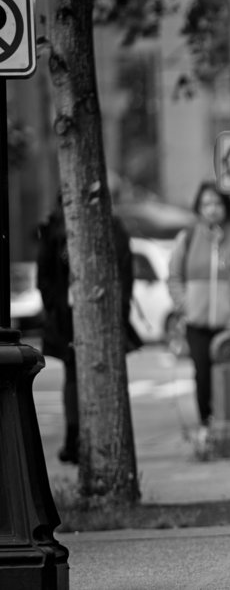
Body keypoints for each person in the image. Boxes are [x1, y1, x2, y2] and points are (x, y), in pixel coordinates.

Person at [36, 194, 140, 464]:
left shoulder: (113, 229)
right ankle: (75, 439)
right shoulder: (56, 230)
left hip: (107, 311)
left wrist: (120, 307)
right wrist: (58, 306)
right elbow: (45, 276)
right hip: (68, 315)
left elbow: (125, 272)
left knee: (106, 372)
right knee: (73, 375)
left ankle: (105, 441)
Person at [167, 181, 230, 445]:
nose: (212, 210)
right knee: (202, 374)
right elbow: (174, 276)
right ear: (199, 208)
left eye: (217, 204)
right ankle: (206, 426)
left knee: (228, 375)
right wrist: (184, 304)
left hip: (229, 322)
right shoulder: (189, 236)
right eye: (206, 204)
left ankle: (229, 422)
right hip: (197, 321)